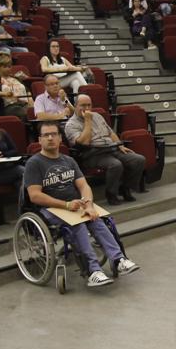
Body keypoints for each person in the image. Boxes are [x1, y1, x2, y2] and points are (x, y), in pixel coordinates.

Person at [22, 123, 140, 287]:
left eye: (54, 134)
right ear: (40, 140)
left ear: (60, 138)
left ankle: (118, 259)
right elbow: (34, 195)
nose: (50, 138)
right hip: (50, 209)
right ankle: (93, 270)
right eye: (46, 135)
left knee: (95, 219)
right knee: (77, 225)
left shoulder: (69, 160)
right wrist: (66, 205)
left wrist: (89, 205)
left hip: (75, 205)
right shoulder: (34, 163)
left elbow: (84, 186)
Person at [65, 94, 147, 204]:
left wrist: (119, 145)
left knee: (138, 159)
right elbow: (84, 142)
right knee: (115, 165)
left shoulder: (97, 116)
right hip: (92, 154)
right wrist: (88, 121)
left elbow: (110, 133)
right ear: (75, 106)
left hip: (111, 149)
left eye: (89, 105)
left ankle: (125, 188)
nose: (87, 108)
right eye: (83, 105)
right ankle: (111, 194)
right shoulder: (71, 124)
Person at [0, 54, 30, 118]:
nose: (7, 69)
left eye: (9, 67)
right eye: (5, 67)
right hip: (9, 106)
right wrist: (5, 93)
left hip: (24, 104)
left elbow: (27, 90)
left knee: (34, 111)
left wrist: (31, 100)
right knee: (23, 112)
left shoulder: (16, 78)